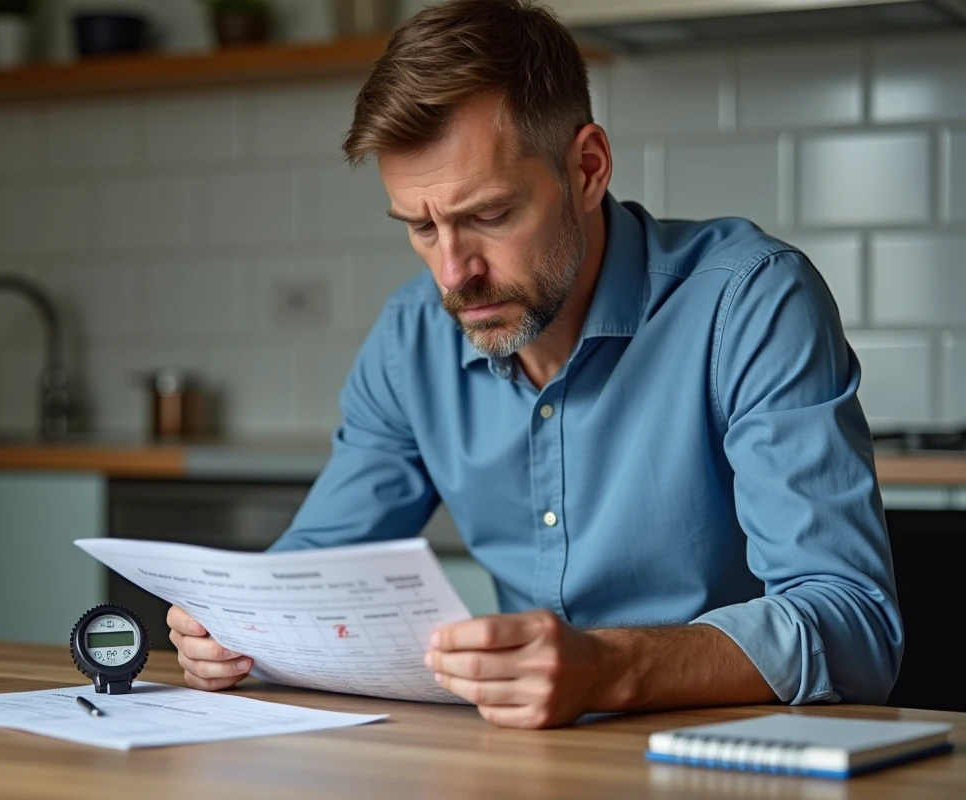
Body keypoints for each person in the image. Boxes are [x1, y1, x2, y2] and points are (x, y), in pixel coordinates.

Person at [167, 0, 903, 728]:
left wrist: (609, 668)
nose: (453, 274)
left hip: (733, 758)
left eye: (488, 215)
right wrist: (235, 629)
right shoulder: (411, 337)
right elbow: (310, 579)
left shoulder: (749, 301)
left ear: (586, 168)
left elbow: (854, 625)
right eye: (421, 227)